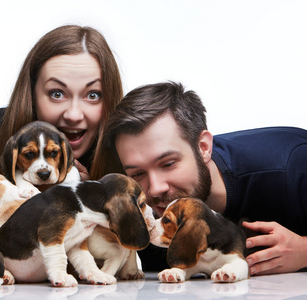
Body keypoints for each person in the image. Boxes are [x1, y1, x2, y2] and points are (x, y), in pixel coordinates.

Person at [90, 81, 307, 276]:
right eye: (138, 173)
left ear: (203, 148)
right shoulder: (145, 210)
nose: (155, 189)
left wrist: (304, 251)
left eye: (168, 164)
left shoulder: (292, 167)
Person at [0, 25, 123, 180]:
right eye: (57, 94)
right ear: (32, 94)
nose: (73, 115)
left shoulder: (128, 156)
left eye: (93, 95)